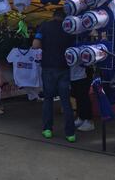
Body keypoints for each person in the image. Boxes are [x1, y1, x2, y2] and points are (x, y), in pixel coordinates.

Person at [32, 9, 76, 142]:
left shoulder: (44, 26)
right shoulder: (69, 27)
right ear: (65, 17)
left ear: (53, 16)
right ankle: (70, 134)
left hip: (48, 67)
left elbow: (35, 45)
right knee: (66, 101)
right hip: (64, 67)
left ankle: (47, 129)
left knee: (48, 99)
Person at [71, 66, 95, 131]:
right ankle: (81, 118)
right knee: (78, 96)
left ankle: (89, 121)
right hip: (74, 74)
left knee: (84, 96)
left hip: (84, 73)